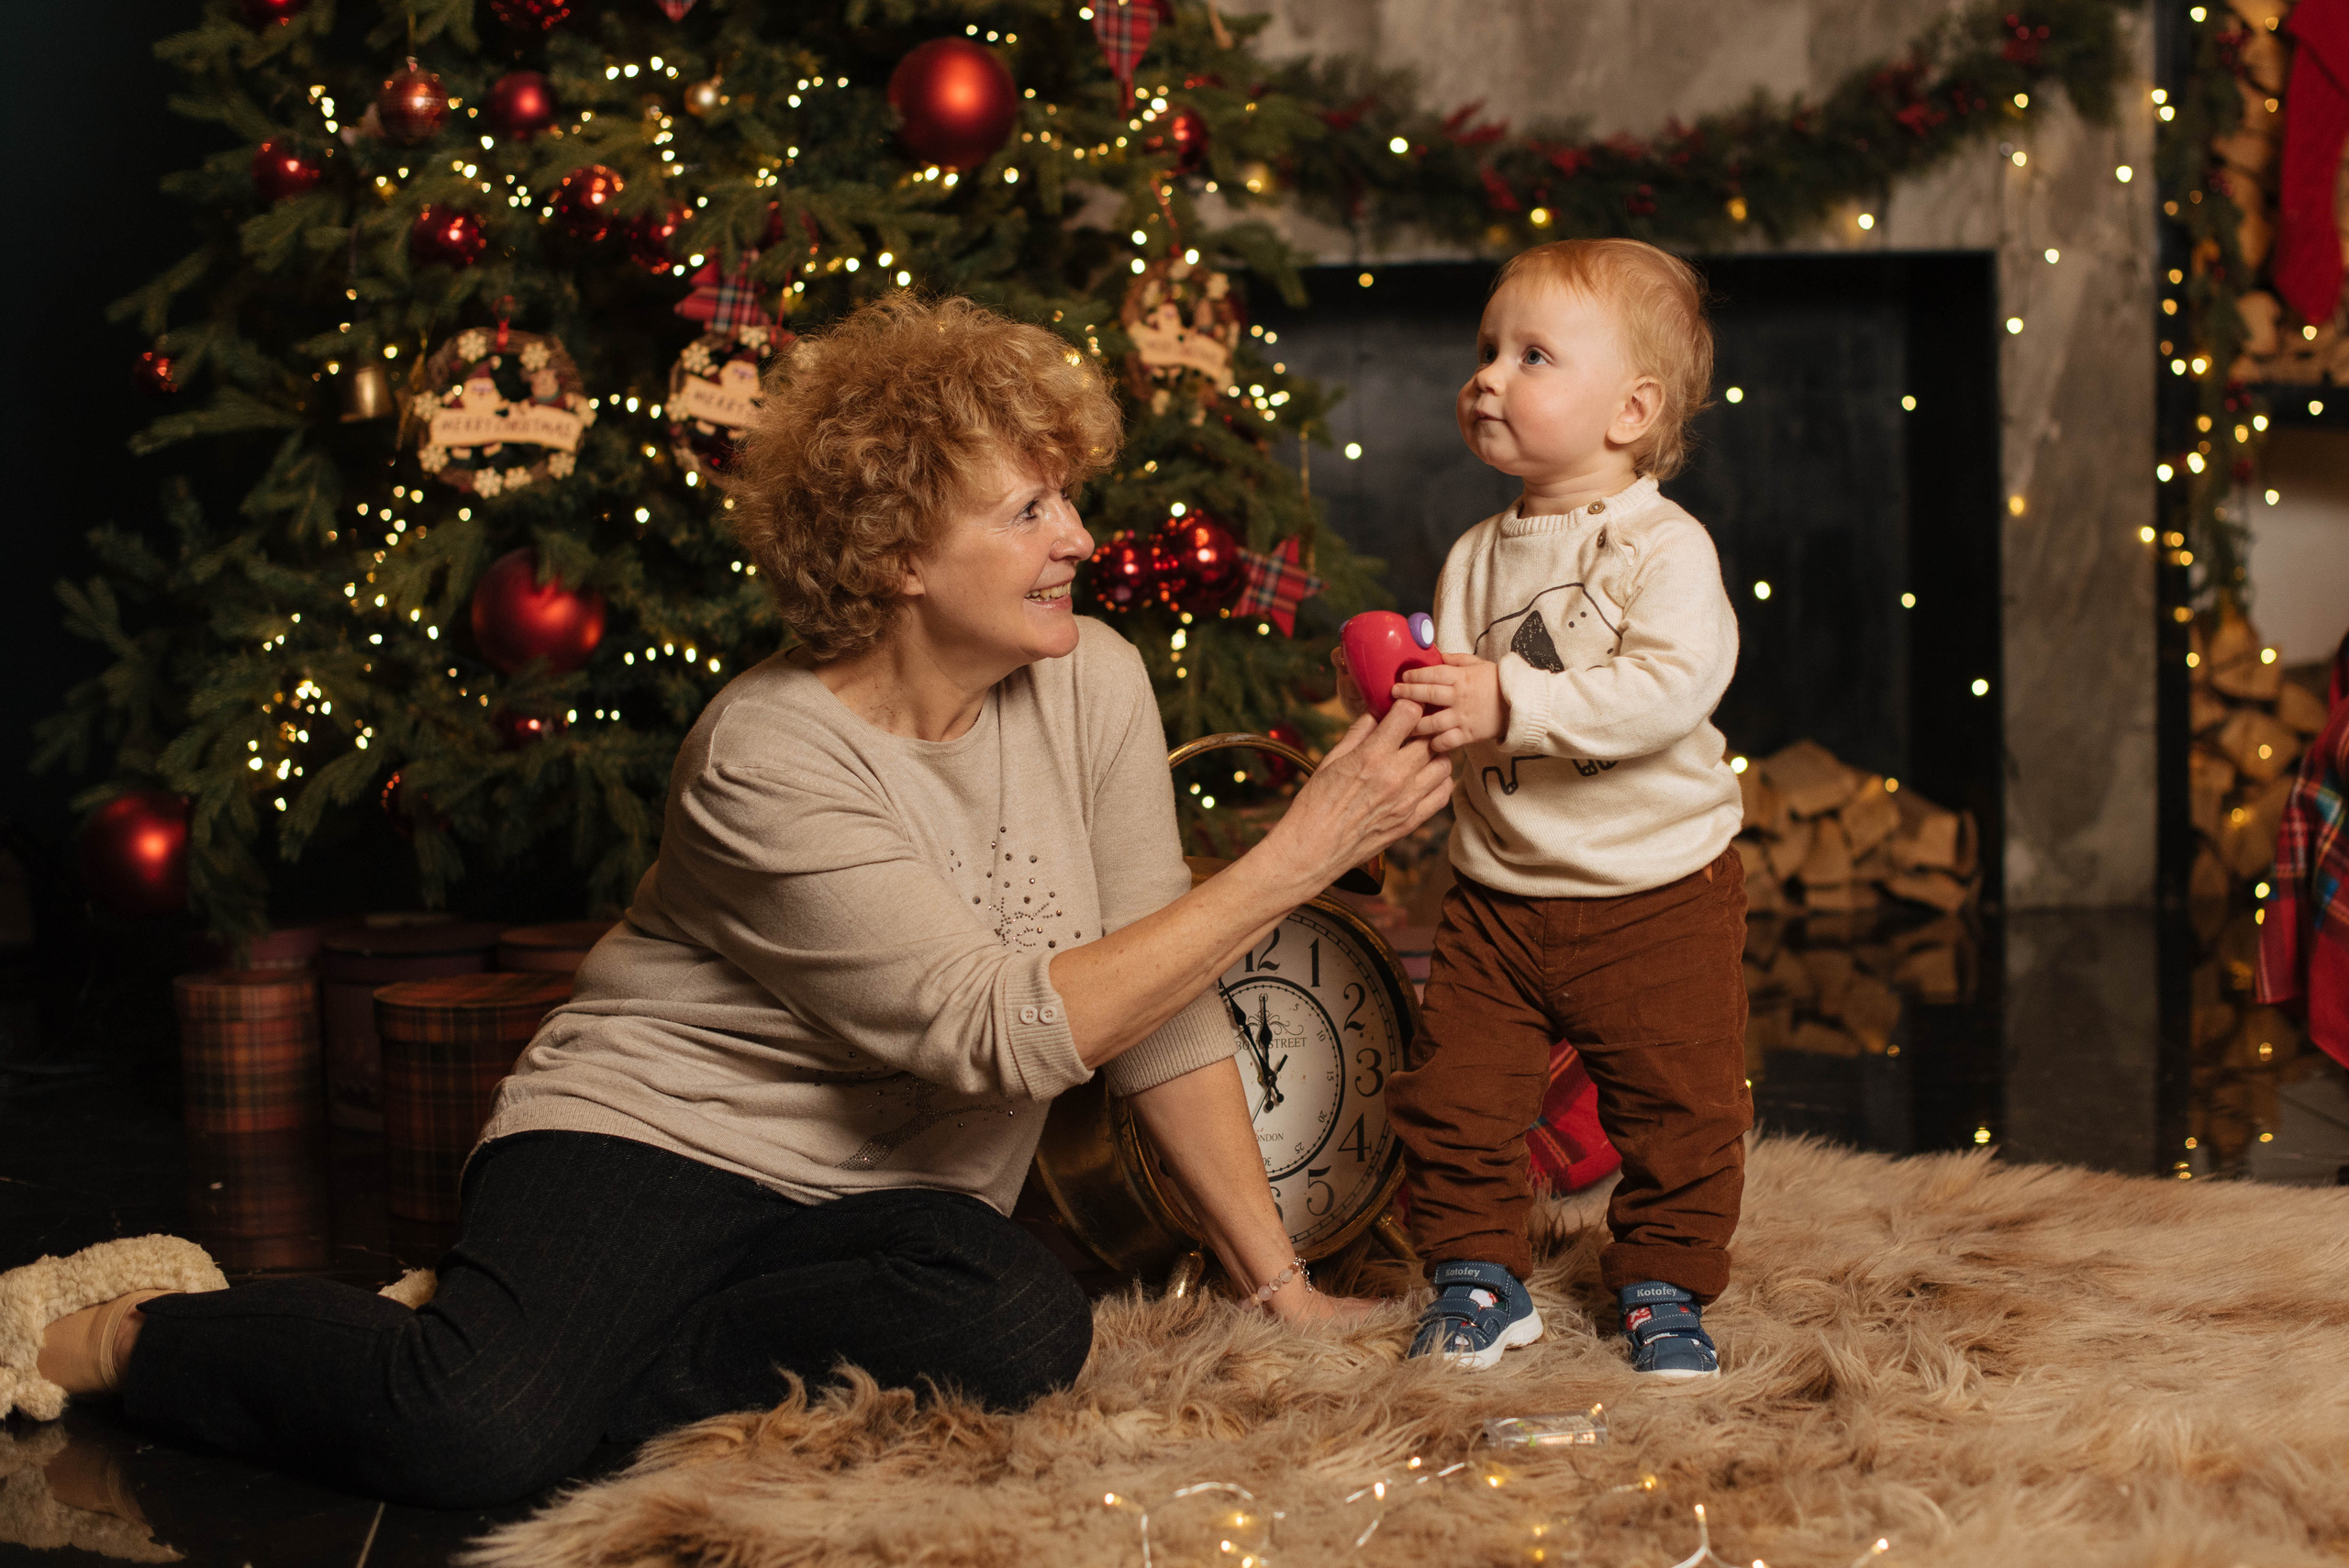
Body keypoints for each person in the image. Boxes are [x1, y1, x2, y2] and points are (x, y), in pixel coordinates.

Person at [0, 295, 1453, 1505]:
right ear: (898, 556)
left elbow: (1157, 1008)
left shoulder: (1097, 684)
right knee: (472, 1433)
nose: (1077, 536)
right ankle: (146, 1332)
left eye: (1067, 496)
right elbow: (999, 1036)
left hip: (891, 1201)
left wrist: (1278, 1286)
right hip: (655, 1138)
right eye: (1030, 509)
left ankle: (553, 1356)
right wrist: (1300, 851)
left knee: (1024, 1322)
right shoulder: (767, 750)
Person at [1335, 239, 1749, 1379]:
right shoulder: (1474, 554)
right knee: (1455, 1098)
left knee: (1680, 1107)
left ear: (1630, 411)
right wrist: (1402, 691)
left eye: (1531, 356)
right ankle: (1475, 1275)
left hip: (1655, 890)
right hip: (1498, 891)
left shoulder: (1661, 545)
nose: (1487, 376)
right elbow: (1464, 703)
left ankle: (1664, 1281)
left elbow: (1670, 688)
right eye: (1486, 349)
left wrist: (1506, 696)